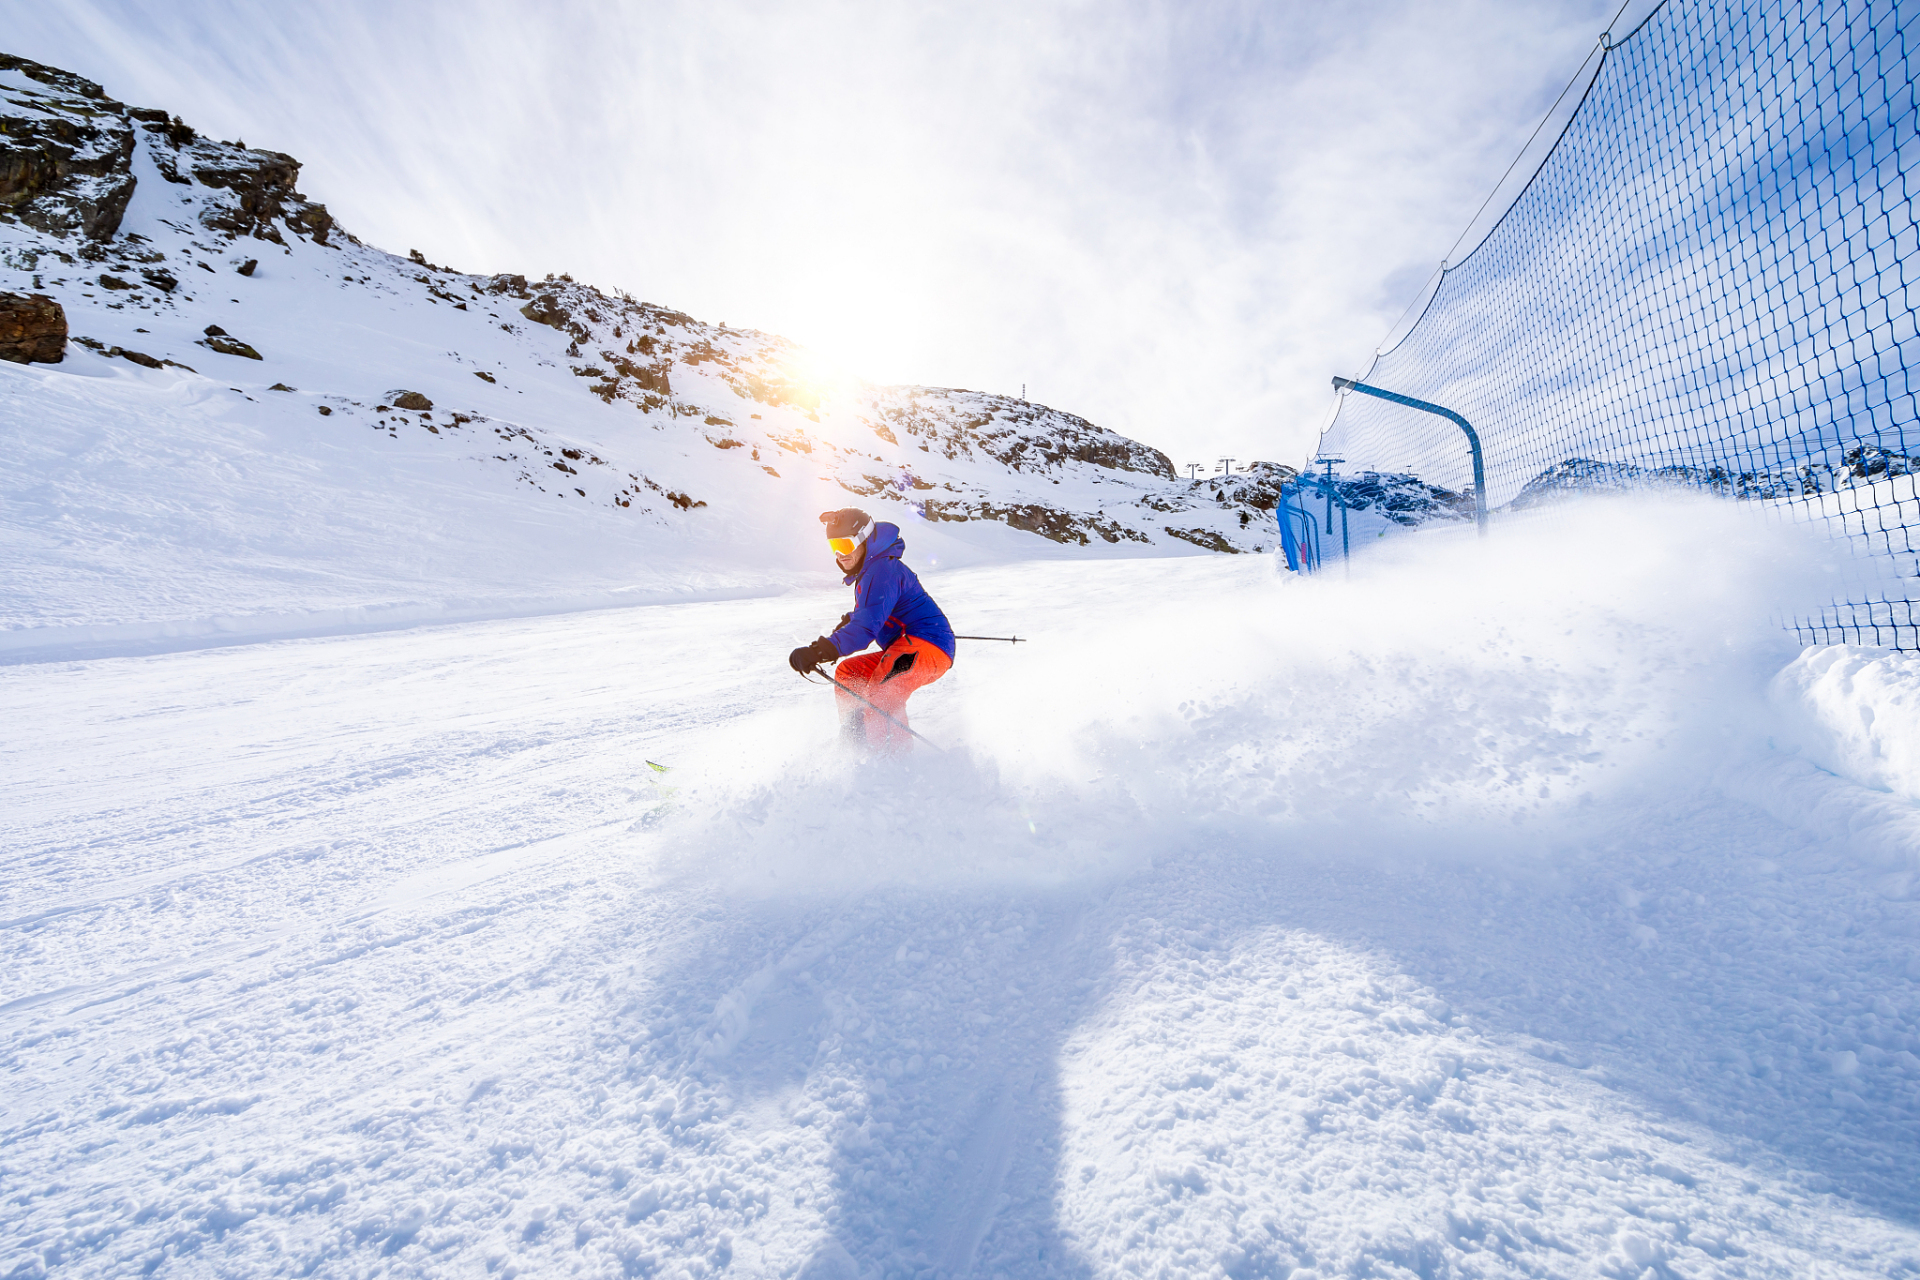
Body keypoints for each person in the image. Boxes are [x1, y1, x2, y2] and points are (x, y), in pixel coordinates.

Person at [788, 508, 955, 749]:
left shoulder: (881, 569)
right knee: (849, 674)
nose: (839, 554)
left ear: (864, 540)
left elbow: (867, 626)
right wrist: (850, 621)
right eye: (833, 546)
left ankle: (892, 763)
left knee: (883, 692)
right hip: (905, 646)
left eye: (845, 545)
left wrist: (821, 651)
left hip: (928, 646)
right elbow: (872, 613)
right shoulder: (871, 570)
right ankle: (858, 738)